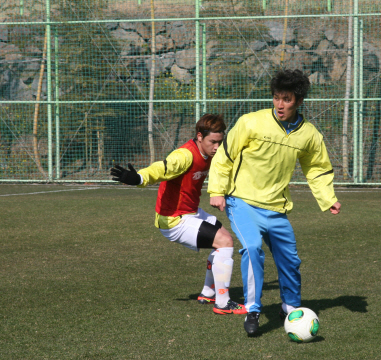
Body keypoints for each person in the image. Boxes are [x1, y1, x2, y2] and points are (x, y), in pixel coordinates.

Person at [207, 69, 341, 335]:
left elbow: (317, 168)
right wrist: (217, 190)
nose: (280, 104)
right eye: (277, 98)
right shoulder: (251, 122)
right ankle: (253, 310)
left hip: (277, 208)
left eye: (287, 99)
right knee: (252, 248)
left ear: (299, 101)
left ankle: (290, 308)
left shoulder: (309, 135)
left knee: (290, 260)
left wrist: (328, 199)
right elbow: (225, 156)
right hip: (242, 201)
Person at [110, 114, 247, 315]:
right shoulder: (185, 155)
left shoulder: (210, 154)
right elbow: (163, 168)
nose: (217, 147)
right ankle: (223, 302)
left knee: (224, 242)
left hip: (191, 213)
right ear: (199, 137)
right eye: (212, 142)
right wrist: (139, 177)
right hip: (173, 219)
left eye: (220, 142)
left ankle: (208, 293)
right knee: (225, 242)